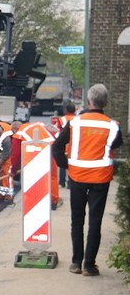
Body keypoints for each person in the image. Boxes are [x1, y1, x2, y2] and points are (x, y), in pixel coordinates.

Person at [52, 84, 123, 277]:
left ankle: (76, 262)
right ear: (105, 102)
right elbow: (117, 143)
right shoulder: (112, 125)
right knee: (95, 221)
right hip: (100, 178)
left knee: (77, 220)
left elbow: (56, 148)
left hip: (77, 177)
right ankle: (89, 266)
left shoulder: (75, 123)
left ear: (89, 101)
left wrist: (67, 166)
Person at [12, 121, 62, 210]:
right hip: (52, 147)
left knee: (35, 177)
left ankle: (35, 199)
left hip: (37, 152)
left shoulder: (19, 133)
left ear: (15, 129)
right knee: (52, 176)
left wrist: (13, 170)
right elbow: (53, 131)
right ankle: (53, 200)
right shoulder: (38, 124)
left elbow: (16, 154)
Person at [0, 121, 14, 202]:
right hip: (6, 151)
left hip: (12, 152)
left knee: (7, 172)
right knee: (2, 172)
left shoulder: (6, 139)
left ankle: (9, 195)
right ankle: (3, 194)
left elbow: (5, 155)